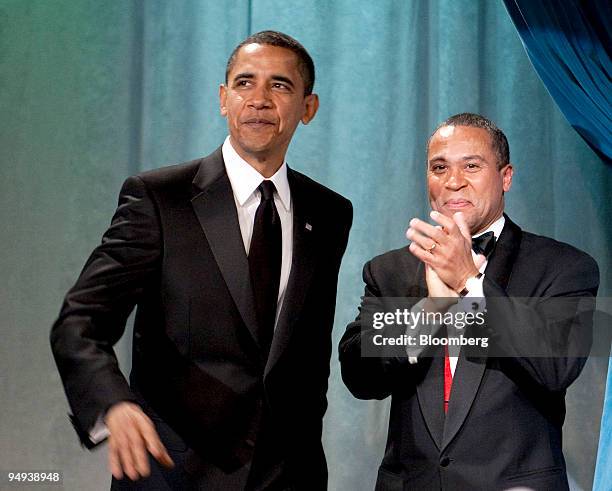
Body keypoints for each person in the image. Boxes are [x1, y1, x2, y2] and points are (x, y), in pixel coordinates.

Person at [51, 30, 352, 491]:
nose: (259, 100)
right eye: (244, 83)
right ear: (222, 99)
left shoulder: (329, 213)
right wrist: (113, 404)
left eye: (279, 85)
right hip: (174, 474)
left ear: (308, 108)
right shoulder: (158, 199)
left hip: (290, 476)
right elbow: (80, 322)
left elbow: (305, 354)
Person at [339, 113, 598, 490]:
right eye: (439, 167)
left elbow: (555, 365)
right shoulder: (389, 270)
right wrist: (429, 312)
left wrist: (469, 282)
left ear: (506, 176)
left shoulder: (565, 267)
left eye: (471, 166)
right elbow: (358, 375)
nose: (453, 181)